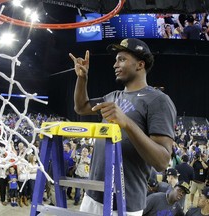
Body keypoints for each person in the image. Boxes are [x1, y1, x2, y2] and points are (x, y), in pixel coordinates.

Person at [69, 38, 177, 215]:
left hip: (125, 203)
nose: (115, 65)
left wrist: (127, 122)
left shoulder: (158, 100)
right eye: (116, 60)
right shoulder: (113, 96)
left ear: (140, 65)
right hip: (93, 195)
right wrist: (82, 78)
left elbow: (162, 161)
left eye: (121, 59)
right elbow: (81, 107)